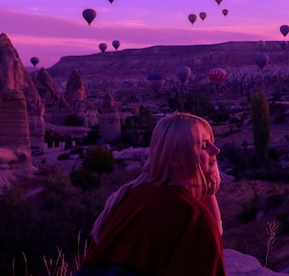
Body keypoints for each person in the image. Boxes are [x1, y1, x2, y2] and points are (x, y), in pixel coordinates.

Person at [74, 113, 226, 276]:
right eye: (204, 146)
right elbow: (208, 249)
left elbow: (212, 238)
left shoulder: (134, 196)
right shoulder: (191, 215)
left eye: (212, 143)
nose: (216, 150)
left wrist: (208, 192)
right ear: (175, 159)